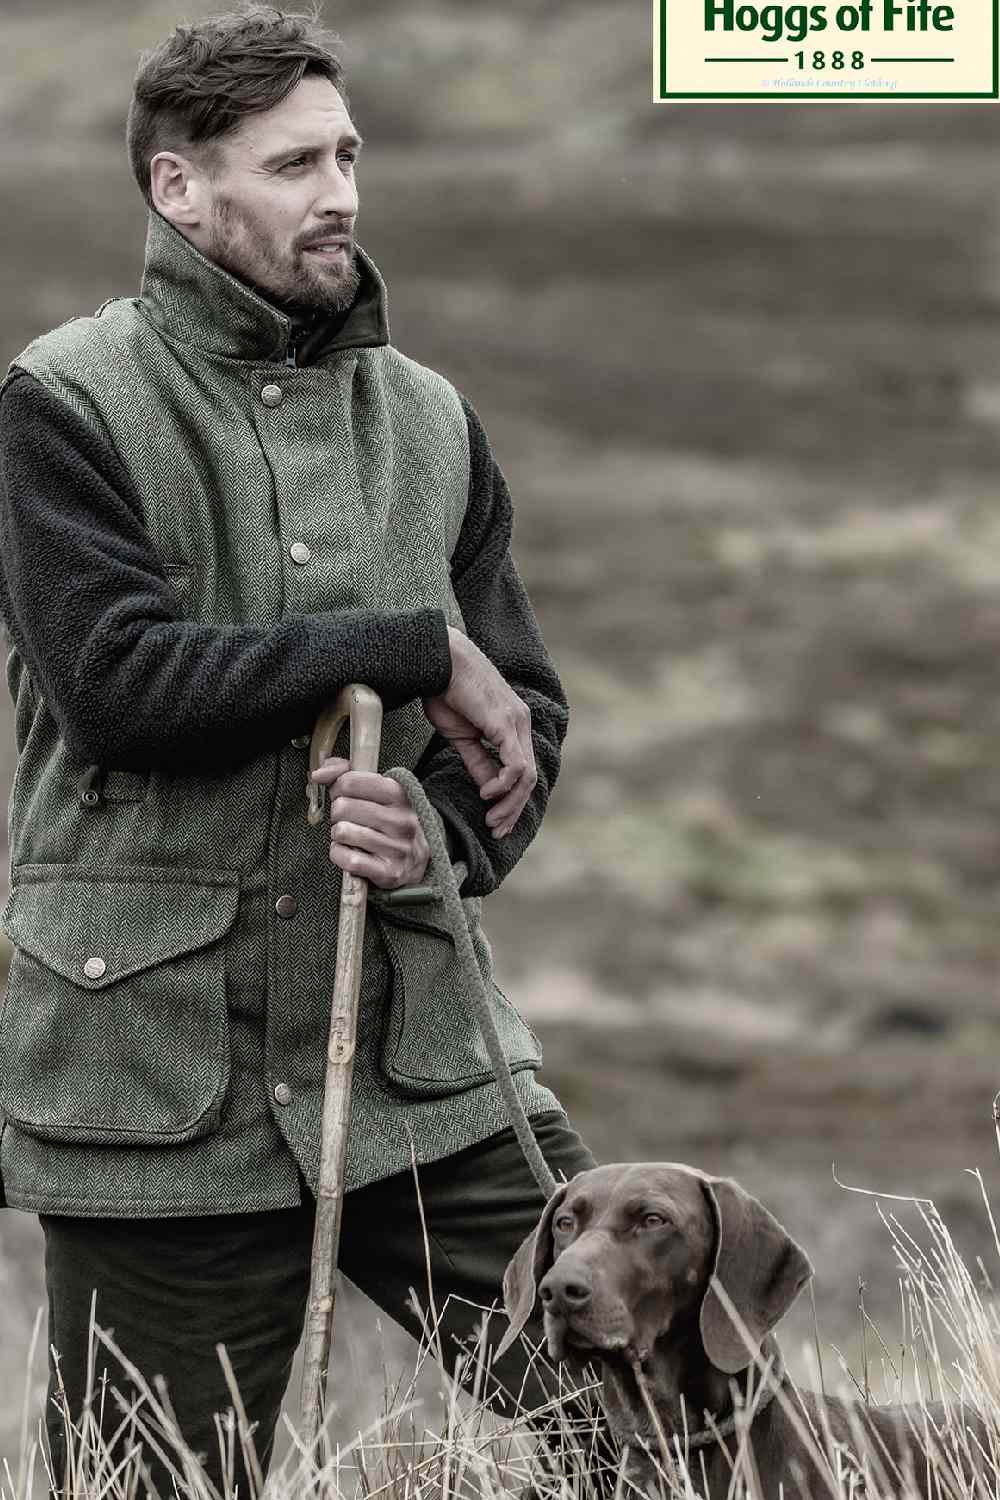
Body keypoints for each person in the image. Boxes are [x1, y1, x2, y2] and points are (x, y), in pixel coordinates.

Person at [0, 4, 604, 1494]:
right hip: (157, 1088)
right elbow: (119, 687)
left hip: (427, 1062)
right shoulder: (62, 403)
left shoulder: (433, 423)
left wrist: (441, 830)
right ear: (178, 190)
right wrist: (401, 645)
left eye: (346, 153)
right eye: (290, 165)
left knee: (668, 1406)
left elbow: (519, 715)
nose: (338, 191)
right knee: (148, 1483)